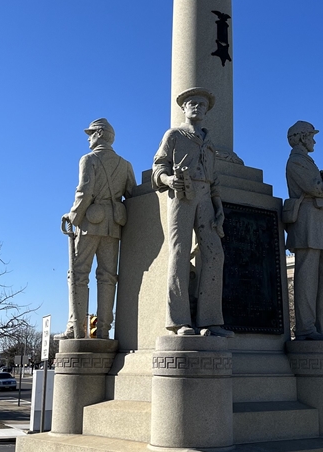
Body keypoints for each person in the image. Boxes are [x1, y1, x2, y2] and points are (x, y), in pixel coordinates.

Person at [152, 89, 233, 337]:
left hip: (206, 198)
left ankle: (211, 320)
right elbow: (158, 166)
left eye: (202, 104)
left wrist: (219, 208)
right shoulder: (174, 135)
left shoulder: (209, 142)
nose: (197, 107)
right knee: (180, 253)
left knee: (215, 254)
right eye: (193, 103)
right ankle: (179, 321)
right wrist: (168, 180)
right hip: (181, 195)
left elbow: (214, 179)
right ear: (184, 108)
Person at [55, 118, 135, 340]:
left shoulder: (88, 159)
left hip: (90, 223)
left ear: (100, 134)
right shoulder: (125, 165)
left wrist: (72, 216)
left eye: (91, 134)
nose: (88, 138)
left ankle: (76, 328)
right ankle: (103, 330)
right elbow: (133, 197)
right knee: (107, 277)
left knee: (78, 274)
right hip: (114, 226)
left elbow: (85, 192)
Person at [284, 120, 323, 340]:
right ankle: (306, 328)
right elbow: (317, 189)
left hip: (316, 225)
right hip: (306, 225)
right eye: (311, 136)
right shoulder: (296, 161)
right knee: (307, 278)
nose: (314, 141)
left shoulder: (306, 160)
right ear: (302, 137)